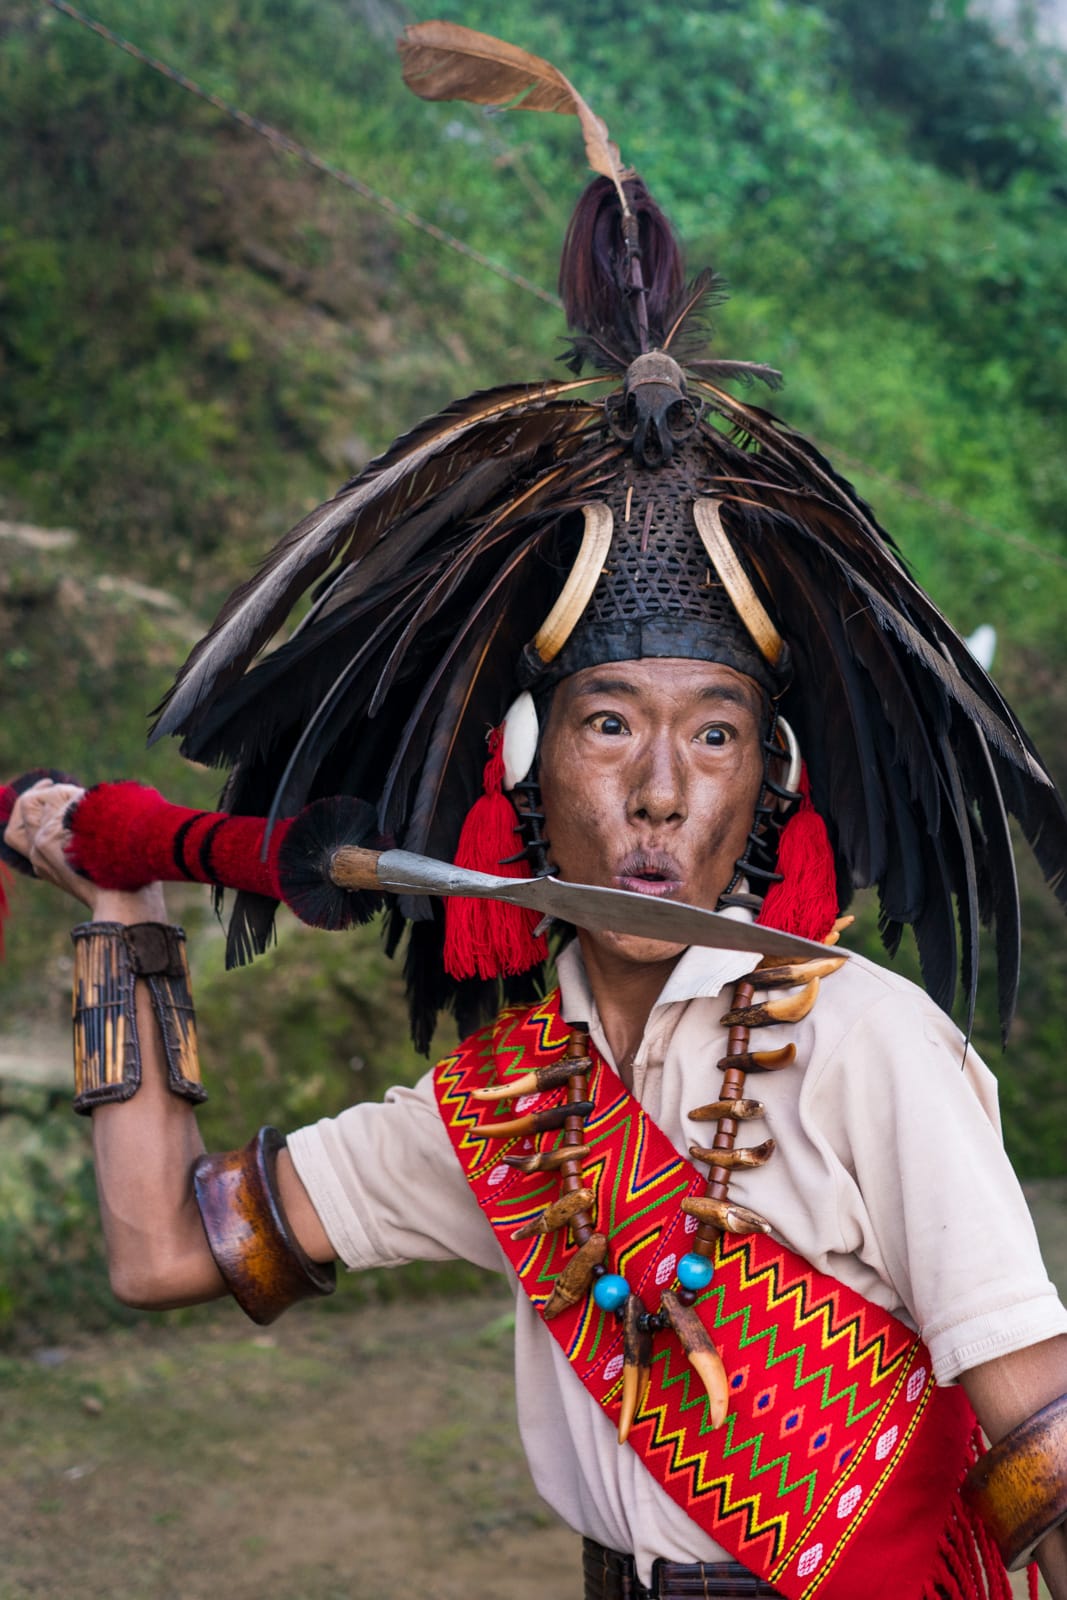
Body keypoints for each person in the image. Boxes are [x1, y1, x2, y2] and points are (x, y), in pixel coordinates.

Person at [4, 24, 1067, 1600]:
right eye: (609, 727)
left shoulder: (867, 1041)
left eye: (713, 736)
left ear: (769, 781)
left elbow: (1043, 1441)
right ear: (525, 765)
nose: (656, 785)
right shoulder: (502, 1104)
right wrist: (122, 919)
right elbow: (165, 1250)